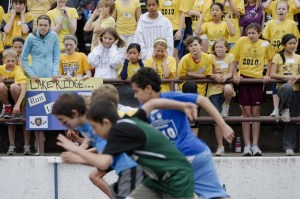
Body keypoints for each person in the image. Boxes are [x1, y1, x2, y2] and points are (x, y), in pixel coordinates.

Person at [57, 94, 197, 199]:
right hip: (153, 175)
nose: (93, 134)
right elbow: (152, 104)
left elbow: (104, 161)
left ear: (105, 122)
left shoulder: (117, 132)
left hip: (170, 173)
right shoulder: (122, 124)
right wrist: (182, 106)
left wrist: (76, 152)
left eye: (93, 128)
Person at [130, 67, 234, 199]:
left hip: (182, 158)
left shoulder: (169, 97)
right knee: (216, 195)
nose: (135, 96)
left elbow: (203, 100)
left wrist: (223, 125)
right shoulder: (144, 109)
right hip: (199, 153)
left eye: (136, 91)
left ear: (149, 89)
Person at [52, 92, 143, 199]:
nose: (62, 125)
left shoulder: (95, 125)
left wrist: (77, 154)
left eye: (63, 120)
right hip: (125, 169)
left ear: (74, 113)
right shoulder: (84, 126)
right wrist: (77, 150)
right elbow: (98, 152)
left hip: (133, 168)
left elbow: (103, 162)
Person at [230, 23, 275, 156]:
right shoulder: (242, 41)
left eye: (253, 33)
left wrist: (267, 74)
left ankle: (255, 145)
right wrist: (234, 74)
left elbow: (272, 59)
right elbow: (233, 58)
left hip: (257, 80)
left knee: (256, 114)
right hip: (243, 79)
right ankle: (247, 145)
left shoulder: (265, 44)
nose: (250, 35)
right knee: (246, 113)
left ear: (259, 33)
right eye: (248, 33)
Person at [21, 14, 60, 156]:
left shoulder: (54, 36)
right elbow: (23, 59)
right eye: (40, 25)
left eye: (45, 25)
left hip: (51, 80)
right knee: (37, 112)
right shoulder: (31, 38)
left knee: (51, 110)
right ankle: (37, 143)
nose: (43, 27)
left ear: (49, 26)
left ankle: (51, 142)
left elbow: (57, 57)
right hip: (36, 81)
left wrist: (55, 72)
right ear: (36, 25)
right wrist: (32, 74)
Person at [262, 0, 300, 117]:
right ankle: (275, 109)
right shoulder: (270, 24)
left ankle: (287, 108)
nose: (281, 10)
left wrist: (293, 51)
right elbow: (266, 39)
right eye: (279, 8)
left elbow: (296, 39)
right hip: (275, 55)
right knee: (275, 82)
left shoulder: (292, 23)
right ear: (275, 10)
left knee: (289, 81)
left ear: (288, 11)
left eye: (284, 9)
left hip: (288, 55)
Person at [270, 33, 300, 156]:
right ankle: (284, 109)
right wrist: (286, 77)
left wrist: (296, 77)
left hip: (296, 90)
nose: (292, 45)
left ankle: (290, 147)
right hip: (283, 89)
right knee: (287, 87)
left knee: (293, 119)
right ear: (284, 45)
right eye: (290, 43)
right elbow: (272, 74)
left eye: (294, 43)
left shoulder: (298, 57)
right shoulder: (278, 56)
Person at [207, 39, 234, 156]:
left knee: (228, 88)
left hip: (225, 86)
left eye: (221, 47)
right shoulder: (210, 58)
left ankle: (226, 105)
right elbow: (209, 72)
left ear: (226, 48)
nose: (219, 49)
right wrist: (215, 76)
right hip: (213, 89)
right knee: (217, 118)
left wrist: (225, 77)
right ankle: (221, 146)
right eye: (217, 47)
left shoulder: (230, 56)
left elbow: (231, 73)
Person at [0, 49, 30, 155]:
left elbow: (23, 87)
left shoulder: (18, 70)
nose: (10, 63)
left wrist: (18, 105)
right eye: (8, 61)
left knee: (25, 122)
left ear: (16, 61)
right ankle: (11, 145)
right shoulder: (1, 69)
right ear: (3, 61)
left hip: (20, 100)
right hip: (7, 99)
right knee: (10, 122)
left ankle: (27, 145)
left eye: (13, 61)